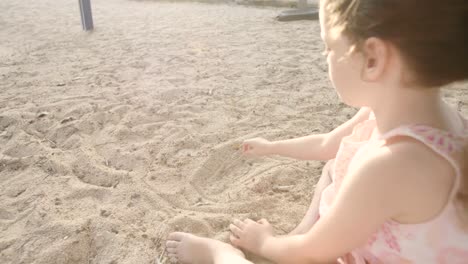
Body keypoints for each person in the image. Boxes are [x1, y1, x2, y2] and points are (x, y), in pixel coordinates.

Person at [166, 0, 468, 263]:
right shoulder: (436, 119)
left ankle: (222, 256)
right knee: (338, 161)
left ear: (373, 59)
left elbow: (313, 252)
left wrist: (262, 243)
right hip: (380, 237)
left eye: (328, 48)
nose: (326, 58)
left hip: (335, 250)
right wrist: (271, 146)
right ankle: (299, 232)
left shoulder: (391, 166)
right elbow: (328, 144)